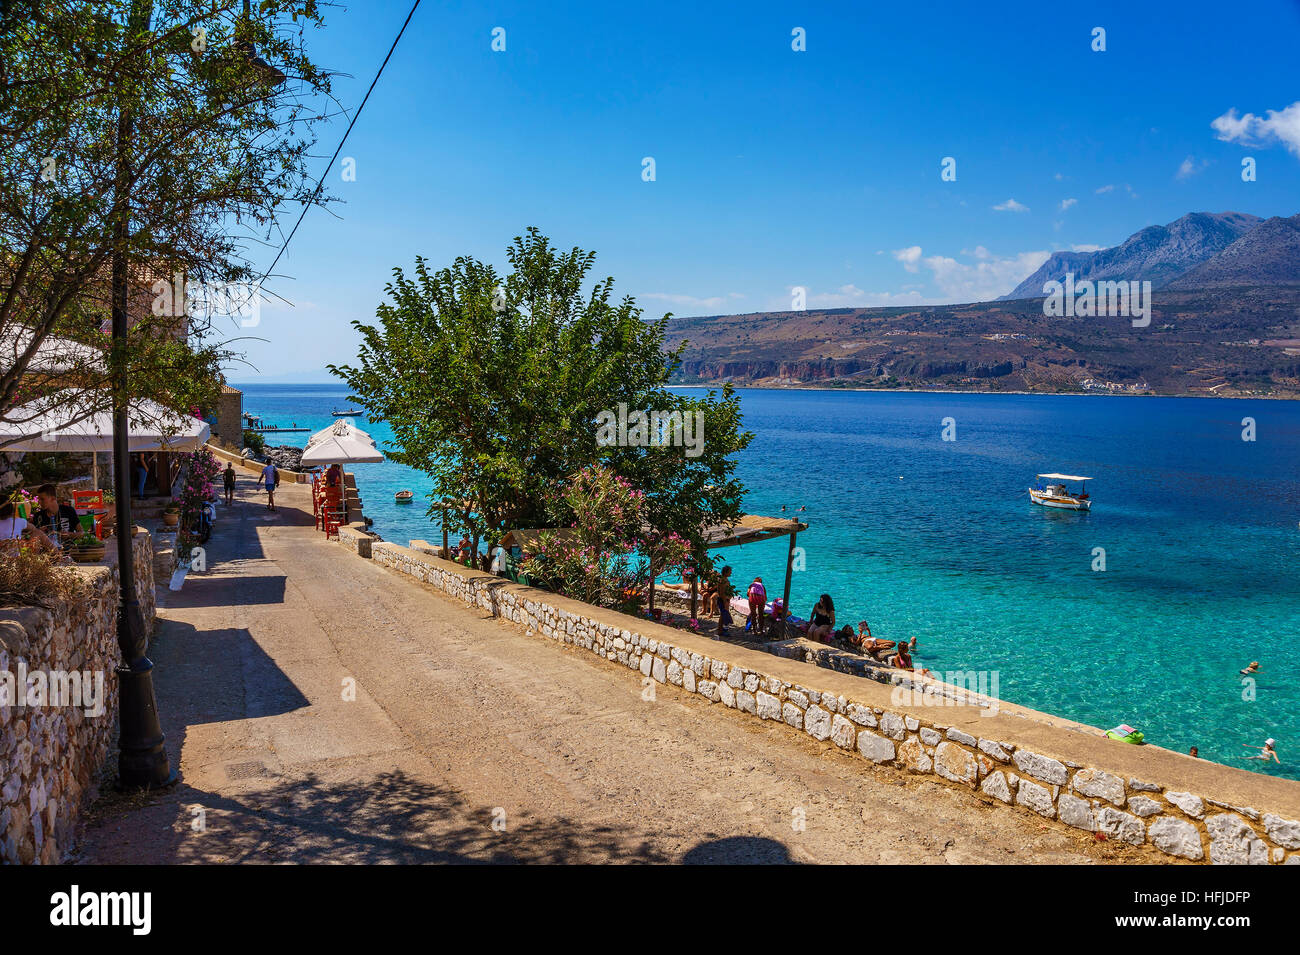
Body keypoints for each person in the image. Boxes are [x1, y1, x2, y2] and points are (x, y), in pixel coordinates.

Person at [715, 566, 734, 637]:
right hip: (723, 599)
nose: (731, 572)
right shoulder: (723, 580)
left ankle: (720, 630)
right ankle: (721, 631)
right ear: (726, 572)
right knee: (723, 615)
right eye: (730, 571)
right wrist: (725, 601)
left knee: (722, 615)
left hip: (722, 599)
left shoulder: (722, 579)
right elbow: (722, 592)